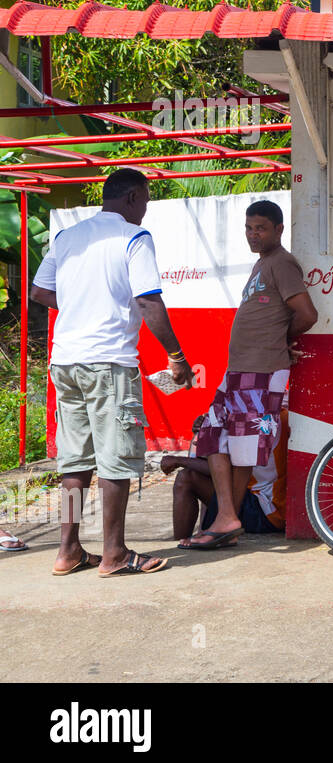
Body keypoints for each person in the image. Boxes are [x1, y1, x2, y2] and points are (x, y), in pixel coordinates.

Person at [30, 167, 193, 576]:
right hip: (109, 364)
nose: (145, 211)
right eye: (146, 202)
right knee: (117, 459)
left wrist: (81, 306)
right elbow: (148, 302)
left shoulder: (68, 237)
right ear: (133, 198)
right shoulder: (134, 237)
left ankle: (68, 550)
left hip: (65, 361)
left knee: (74, 463)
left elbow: (39, 291)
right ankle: (114, 553)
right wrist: (176, 355)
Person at [186, 199, 315, 549]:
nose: (253, 234)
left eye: (260, 228)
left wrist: (281, 340)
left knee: (244, 447)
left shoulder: (282, 263)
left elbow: (307, 314)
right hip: (239, 371)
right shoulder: (262, 264)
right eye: (248, 228)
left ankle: (226, 519)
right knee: (213, 436)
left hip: (261, 370)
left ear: (278, 230)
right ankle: (227, 516)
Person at [161, 409, 289, 546]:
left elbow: (223, 470)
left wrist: (179, 460)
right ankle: (200, 531)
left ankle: (179, 543)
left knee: (186, 478)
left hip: (265, 510)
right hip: (268, 507)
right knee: (201, 475)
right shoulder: (277, 413)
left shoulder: (251, 419)